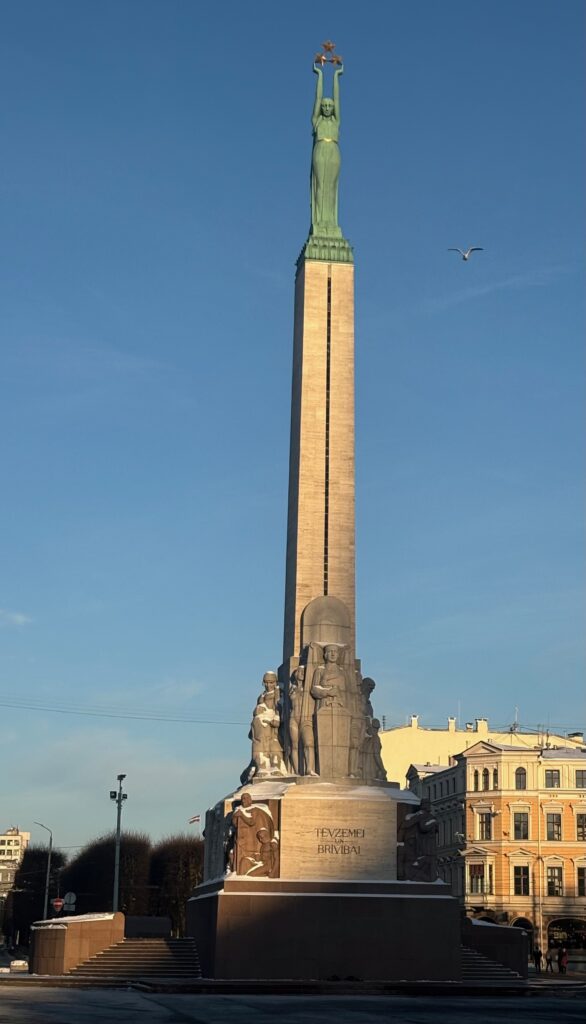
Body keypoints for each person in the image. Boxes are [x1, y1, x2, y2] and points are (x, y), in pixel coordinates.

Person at [310, 63, 343, 233]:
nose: (328, 107)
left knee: (331, 187)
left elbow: (337, 98)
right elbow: (317, 98)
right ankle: (319, 223)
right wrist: (320, 75)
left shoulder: (336, 122)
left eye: (330, 106)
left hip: (334, 151)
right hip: (320, 148)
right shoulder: (317, 121)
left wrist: (336, 76)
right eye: (325, 105)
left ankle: (331, 224)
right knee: (320, 186)